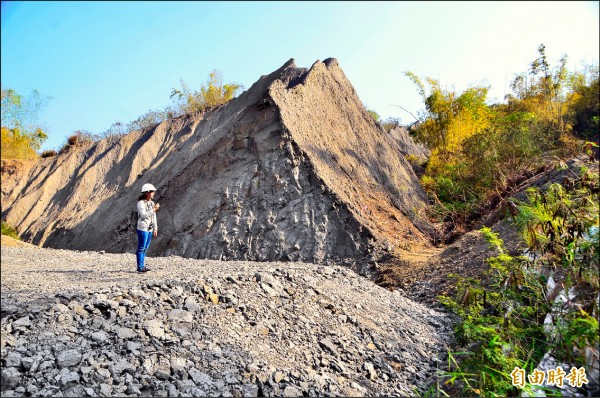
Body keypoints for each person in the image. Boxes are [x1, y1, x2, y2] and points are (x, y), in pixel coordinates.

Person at [136, 183, 160, 273]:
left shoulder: (151, 203)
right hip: (143, 228)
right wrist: (154, 209)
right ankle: (140, 267)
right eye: (152, 192)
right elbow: (143, 215)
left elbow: (154, 217)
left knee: (145, 248)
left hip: (149, 228)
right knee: (141, 248)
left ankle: (142, 266)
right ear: (147, 193)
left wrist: (155, 228)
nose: (154, 193)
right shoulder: (141, 203)